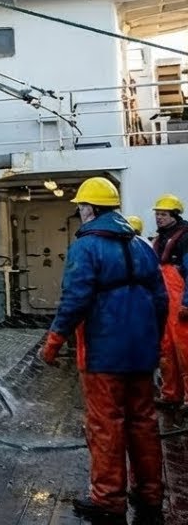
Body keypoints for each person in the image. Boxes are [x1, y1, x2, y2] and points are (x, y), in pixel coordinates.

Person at [39, 177, 166, 523]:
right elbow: (160, 299)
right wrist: (153, 344)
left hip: (104, 355)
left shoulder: (86, 246)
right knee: (143, 422)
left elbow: (75, 299)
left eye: (81, 206)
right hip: (142, 354)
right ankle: (151, 495)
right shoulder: (142, 245)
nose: (80, 212)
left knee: (106, 425)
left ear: (90, 208)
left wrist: (53, 342)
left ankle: (108, 501)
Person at [151, 193, 188, 408]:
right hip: (164, 298)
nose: (159, 218)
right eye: (157, 214)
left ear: (174, 215)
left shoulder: (185, 237)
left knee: (184, 348)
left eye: (163, 214)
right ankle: (171, 393)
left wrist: (186, 301)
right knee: (165, 346)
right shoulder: (160, 238)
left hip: (178, 297)